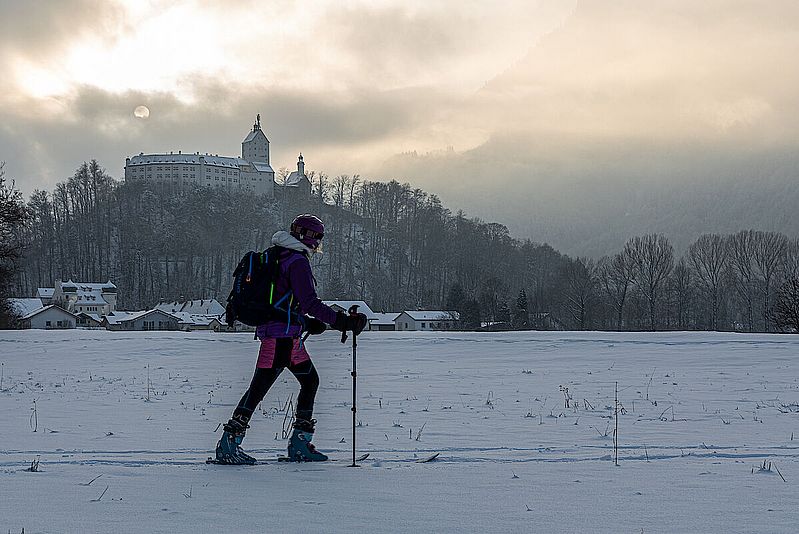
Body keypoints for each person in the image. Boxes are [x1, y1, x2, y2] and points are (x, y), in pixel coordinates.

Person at [215, 214, 367, 464]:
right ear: (305, 236)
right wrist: (341, 322)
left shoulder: (277, 254)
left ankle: (299, 443)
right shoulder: (296, 261)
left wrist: (306, 323)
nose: (317, 243)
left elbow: (283, 302)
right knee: (258, 390)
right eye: (316, 237)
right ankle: (229, 444)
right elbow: (309, 302)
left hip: (286, 335)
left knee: (310, 382)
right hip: (279, 339)